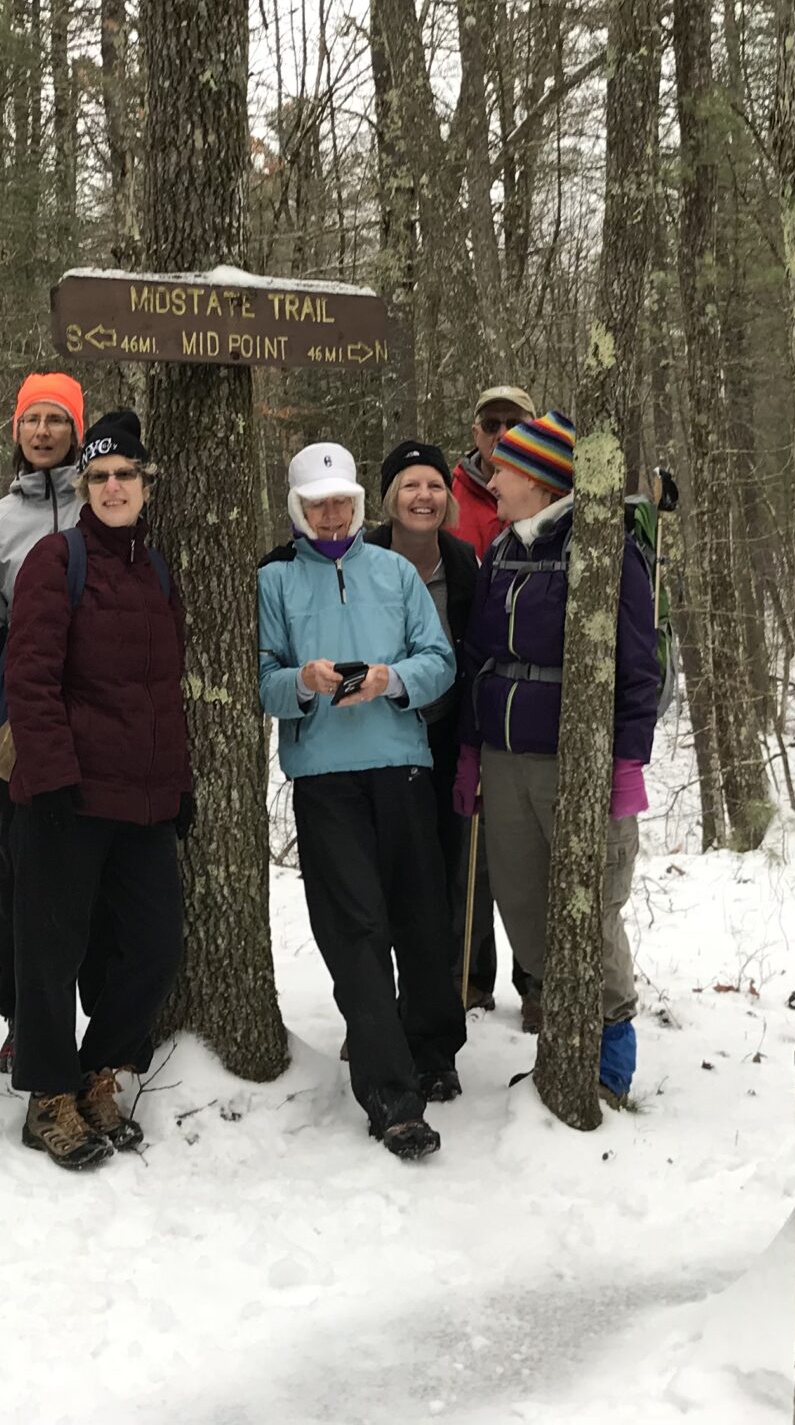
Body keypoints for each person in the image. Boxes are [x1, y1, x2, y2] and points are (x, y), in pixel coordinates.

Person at [0, 410, 191, 1170]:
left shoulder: (156, 568)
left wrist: (179, 786)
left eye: (126, 476)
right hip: (67, 794)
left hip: (143, 797)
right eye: (101, 476)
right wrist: (48, 778)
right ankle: (48, 1096)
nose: (114, 487)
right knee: (50, 948)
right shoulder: (57, 558)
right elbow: (31, 675)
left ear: (147, 484)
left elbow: (163, 692)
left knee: (153, 945)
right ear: (88, 486)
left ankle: (100, 1070)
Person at [259, 441, 462, 1160]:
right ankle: (391, 1097)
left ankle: (435, 1053)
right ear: (299, 511)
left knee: (420, 917)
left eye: (342, 501)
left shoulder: (395, 572)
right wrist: (303, 682)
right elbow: (260, 678)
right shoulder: (276, 581)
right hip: (323, 777)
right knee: (356, 931)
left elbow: (441, 662)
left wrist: (392, 680)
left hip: (402, 764)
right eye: (318, 506)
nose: (333, 513)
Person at [453, 410, 662, 1106]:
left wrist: (626, 761)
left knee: (590, 904)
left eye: (505, 469)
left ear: (541, 482)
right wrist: (472, 753)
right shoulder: (505, 550)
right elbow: (480, 655)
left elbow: (638, 663)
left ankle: (611, 1060)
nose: (493, 477)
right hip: (506, 758)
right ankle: (562, 1047)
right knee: (523, 907)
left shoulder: (601, 545)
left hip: (578, 760)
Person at [0, 372, 88, 1071]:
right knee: (26, 870)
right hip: (16, 713)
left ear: (77, 431)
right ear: (15, 431)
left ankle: (93, 1006)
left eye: (56, 420)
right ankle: (23, 1010)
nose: (41, 431)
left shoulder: (106, 500)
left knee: (92, 867)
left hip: (96, 709)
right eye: (31, 419)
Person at [363, 440, 506, 1014]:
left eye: (433, 485)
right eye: (409, 485)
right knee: (383, 873)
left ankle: (450, 986)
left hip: (446, 734)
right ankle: (377, 998)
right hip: (379, 737)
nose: (423, 496)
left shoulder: (462, 560)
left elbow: (475, 650)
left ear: (448, 497)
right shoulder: (362, 555)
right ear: (388, 497)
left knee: (453, 866)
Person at [446, 385, 538, 557]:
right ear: (475, 434)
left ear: (535, 430)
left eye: (515, 425)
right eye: (491, 425)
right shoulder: (446, 497)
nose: (503, 434)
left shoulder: (555, 497)